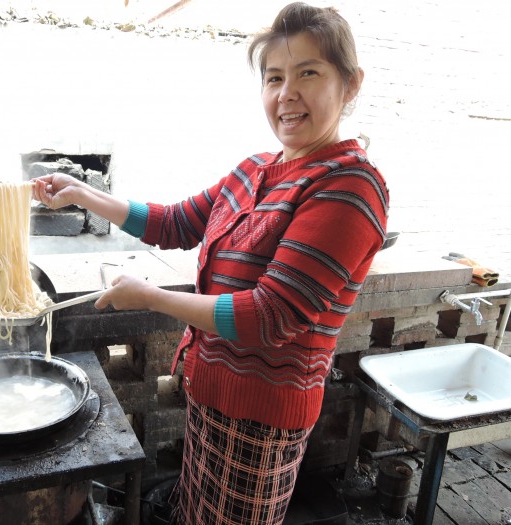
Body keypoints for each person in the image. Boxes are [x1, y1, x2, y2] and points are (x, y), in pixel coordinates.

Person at [32, 2, 389, 523]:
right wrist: (84, 194)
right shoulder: (255, 169)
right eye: (274, 77)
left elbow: (270, 317)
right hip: (209, 392)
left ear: (350, 84)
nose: (286, 93)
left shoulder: (349, 188)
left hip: (263, 420)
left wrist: (152, 298)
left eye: (308, 73)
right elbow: (174, 222)